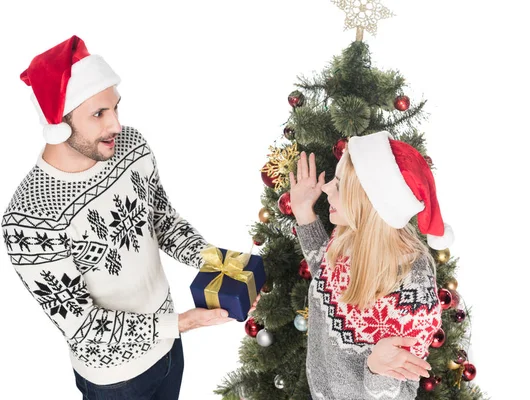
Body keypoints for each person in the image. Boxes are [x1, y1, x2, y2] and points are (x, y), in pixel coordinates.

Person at [1, 35, 234, 399]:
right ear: (58, 122)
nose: (117, 126)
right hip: (116, 380)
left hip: (170, 350)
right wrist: (181, 323)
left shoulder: (132, 148)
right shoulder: (29, 219)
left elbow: (162, 220)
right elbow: (83, 326)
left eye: (115, 108)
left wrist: (217, 261)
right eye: (99, 114)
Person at [290, 131, 454, 399]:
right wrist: (304, 214)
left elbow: (401, 392)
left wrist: (377, 371)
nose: (327, 188)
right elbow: (327, 277)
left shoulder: (412, 293)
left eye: (340, 185)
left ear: (369, 203)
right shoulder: (350, 234)